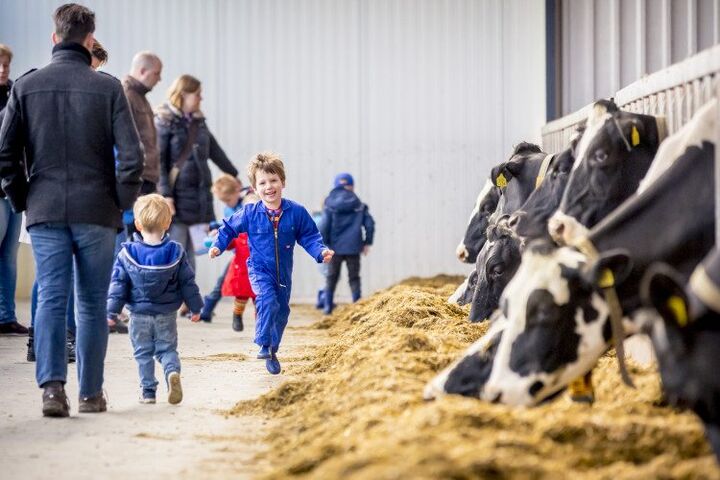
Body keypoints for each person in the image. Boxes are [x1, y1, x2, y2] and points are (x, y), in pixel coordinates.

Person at [0, 3, 144, 417]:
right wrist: (119, 201)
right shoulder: (108, 88)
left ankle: (51, 391)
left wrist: (22, 198)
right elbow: (132, 159)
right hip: (97, 210)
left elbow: (5, 154)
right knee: (91, 303)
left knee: (49, 300)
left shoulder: (26, 87)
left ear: (54, 37)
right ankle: (90, 394)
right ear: (89, 40)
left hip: (44, 209)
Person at [25, 39, 111, 361]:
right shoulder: (38, 87)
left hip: (69, 196)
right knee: (52, 280)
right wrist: (23, 196)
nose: (92, 75)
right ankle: (46, 339)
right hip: (45, 195)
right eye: (92, 67)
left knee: (57, 278)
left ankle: (55, 338)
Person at [209, 152, 334, 374]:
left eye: (274, 180)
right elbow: (228, 227)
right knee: (267, 300)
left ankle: (272, 350)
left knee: (282, 312)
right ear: (255, 189)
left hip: (283, 273)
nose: (269, 186)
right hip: (259, 269)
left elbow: (310, 236)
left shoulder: (296, 212)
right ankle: (263, 343)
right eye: (263, 182)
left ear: (283, 182)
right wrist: (218, 245)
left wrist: (320, 251)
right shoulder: (250, 212)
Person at [107, 194, 202, 405]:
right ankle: (171, 372)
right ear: (168, 223)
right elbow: (188, 283)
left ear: (137, 224)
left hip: (139, 314)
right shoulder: (176, 252)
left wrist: (111, 312)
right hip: (166, 314)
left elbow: (118, 286)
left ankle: (148, 392)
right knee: (167, 349)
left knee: (143, 353)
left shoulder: (127, 253)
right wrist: (196, 308)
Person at [155, 74, 238, 271]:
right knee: (175, 252)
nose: (201, 98)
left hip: (198, 198)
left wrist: (234, 175)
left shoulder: (198, 122)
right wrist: (166, 195)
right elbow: (159, 163)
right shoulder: (164, 122)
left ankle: (186, 300)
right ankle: (174, 300)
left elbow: (215, 151)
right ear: (183, 94)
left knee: (190, 253)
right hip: (176, 200)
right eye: (197, 94)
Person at [203, 175, 258, 331]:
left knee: (257, 294)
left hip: (255, 255)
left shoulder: (249, 201)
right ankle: (207, 311)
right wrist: (217, 230)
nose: (227, 204)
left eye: (228, 200)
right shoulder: (232, 207)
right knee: (228, 284)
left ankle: (206, 310)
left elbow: (246, 215)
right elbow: (228, 224)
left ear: (236, 192)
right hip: (240, 256)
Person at [0, 43, 28, 336]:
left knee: (9, 254)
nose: (3, 69)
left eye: (6, 64)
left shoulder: (15, 93)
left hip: (13, 188)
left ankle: (6, 316)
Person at [320, 173, 375, 315]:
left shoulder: (329, 204)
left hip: (334, 248)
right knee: (354, 278)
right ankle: (357, 308)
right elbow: (370, 225)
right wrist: (366, 242)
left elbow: (323, 225)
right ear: (351, 186)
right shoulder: (360, 205)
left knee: (331, 277)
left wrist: (324, 244)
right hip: (354, 248)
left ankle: (327, 308)